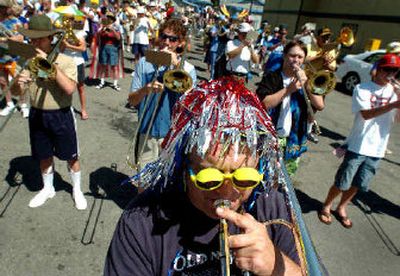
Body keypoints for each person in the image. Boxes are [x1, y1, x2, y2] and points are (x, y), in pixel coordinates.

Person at [105, 77, 310, 275]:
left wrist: (276, 267)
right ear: (183, 169)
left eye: (245, 177)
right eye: (210, 178)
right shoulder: (142, 222)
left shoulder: (271, 206)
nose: (227, 192)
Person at [11, 15, 87, 210]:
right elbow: (15, 92)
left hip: (61, 114)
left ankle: (76, 189)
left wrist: (49, 64)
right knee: (43, 155)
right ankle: (47, 188)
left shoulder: (67, 60)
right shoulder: (28, 60)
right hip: (37, 113)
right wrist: (19, 84)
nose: (35, 42)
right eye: (32, 39)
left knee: (71, 155)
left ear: (50, 38)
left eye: (40, 38)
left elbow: (70, 89)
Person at [318, 53, 400, 228]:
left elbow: (397, 119)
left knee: (359, 183)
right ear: (378, 69)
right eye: (387, 70)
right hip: (359, 144)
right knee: (342, 181)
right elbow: (366, 114)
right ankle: (326, 205)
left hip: (378, 148)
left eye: (395, 71)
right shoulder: (362, 88)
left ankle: (342, 207)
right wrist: (393, 104)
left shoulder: (394, 92)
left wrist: (398, 99)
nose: (390, 74)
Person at [127, 18, 196, 166]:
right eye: (164, 36)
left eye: (173, 39)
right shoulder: (144, 63)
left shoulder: (188, 69)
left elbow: (192, 101)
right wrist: (145, 90)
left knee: (168, 183)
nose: (166, 42)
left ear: (180, 43)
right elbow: (132, 101)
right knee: (143, 181)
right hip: (147, 130)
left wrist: (177, 65)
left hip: (173, 134)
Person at [256, 41, 324, 176]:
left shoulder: (307, 80)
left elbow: (320, 105)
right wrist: (289, 89)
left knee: (285, 179)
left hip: (293, 140)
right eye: (293, 56)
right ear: (284, 56)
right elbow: (263, 103)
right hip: (272, 136)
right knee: (263, 176)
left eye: (300, 57)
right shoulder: (272, 76)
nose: (296, 60)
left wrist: (308, 84)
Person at [61, 15, 89, 120]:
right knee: (66, 87)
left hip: (78, 62)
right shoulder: (62, 33)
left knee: (80, 87)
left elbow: (83, 48)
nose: (68, 22)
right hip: (65, 62)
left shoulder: (80, 32)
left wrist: (69, 45)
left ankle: (83, 109)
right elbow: (60, 49)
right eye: (66, 20)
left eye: (71, 20)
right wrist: (63, 43)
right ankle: (66, 107)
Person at [90, 12, 124, 91]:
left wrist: (112, 29)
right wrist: (102, 29)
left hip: (113, 48)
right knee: (103, 65)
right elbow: (97, 36)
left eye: (110, 18)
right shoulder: (102, 27)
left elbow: (118, 38)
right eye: (107, 18)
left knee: (114, 66)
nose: (109, 19)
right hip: (104, 47)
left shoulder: (116, 27)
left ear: (112, 20)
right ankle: (102, 82)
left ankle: (115, 84)